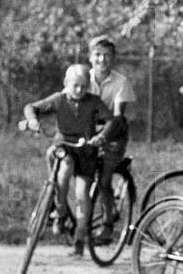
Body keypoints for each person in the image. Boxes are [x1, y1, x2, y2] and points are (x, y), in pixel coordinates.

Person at [23, 64, 119, 257]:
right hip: (64, 147)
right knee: (64, 168)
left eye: (84, 86)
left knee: (82, 194)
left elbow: (111, 120)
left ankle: (79, 239)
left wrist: (100, 137)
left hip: (85, 151)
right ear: (66, 84)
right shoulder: (59, 100)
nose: (79, 91)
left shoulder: (93, 102)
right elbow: (32, 107)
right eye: (75, 85)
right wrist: (33, 120)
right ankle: (60, 212)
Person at [86, 35, 136, 243]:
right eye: (97, 55)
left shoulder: (121, 82)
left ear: (113, 58)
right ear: (90, 57)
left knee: (104, 179)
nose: (102, 60)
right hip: (88, 133)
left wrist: (103, 136)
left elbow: (117, 118)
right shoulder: (82, 78)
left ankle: (107, 225)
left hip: (113, 136)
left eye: (107, 56)